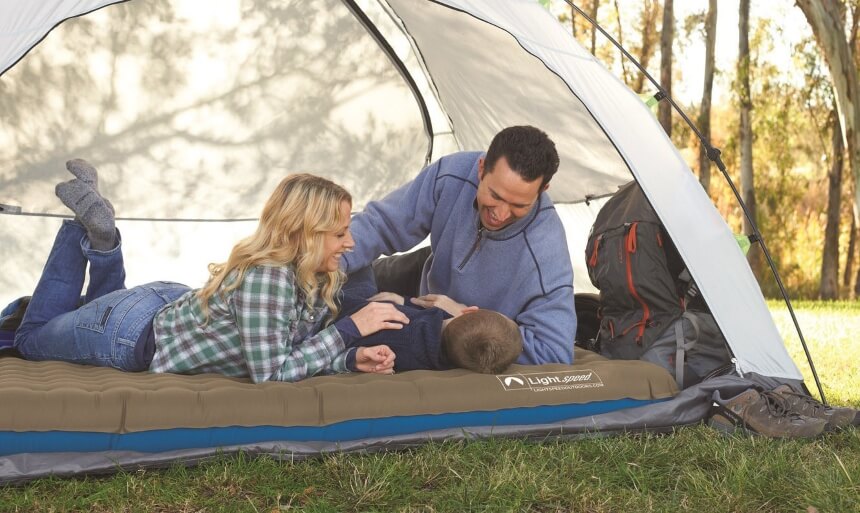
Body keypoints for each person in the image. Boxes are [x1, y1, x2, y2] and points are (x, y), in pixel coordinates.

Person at [13, 160, 412, 383]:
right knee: (29, 340)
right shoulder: (270, 277)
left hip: (157, 306)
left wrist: (349, 359)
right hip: (131, 332)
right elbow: (271, 373)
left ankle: (102, 242)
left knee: (89, 312)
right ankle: (82, 233)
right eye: (339, 233)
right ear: (305, 233)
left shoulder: (311, 274)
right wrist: (349, 330)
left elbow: (287, 349)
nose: (351, 243)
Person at [342, 125, 577, 365]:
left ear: (542, 191)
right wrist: (316, 261)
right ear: (481, 168)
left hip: (446, 330)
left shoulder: (545, 252)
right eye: (495, 196)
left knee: (359, 319)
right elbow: (380, 226)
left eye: (519, 205)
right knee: (346, 267)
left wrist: (464, 317)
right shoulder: (452, 173)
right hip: (422, 294)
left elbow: (553, 352)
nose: (502, 214)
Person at [336, 266, 522, 374]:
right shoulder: (448, 349)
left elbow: (351, 322)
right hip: (377, 307)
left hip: (343, 308)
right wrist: (403, 301)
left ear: (468, 311)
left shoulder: (402, 334)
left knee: (360, 264)